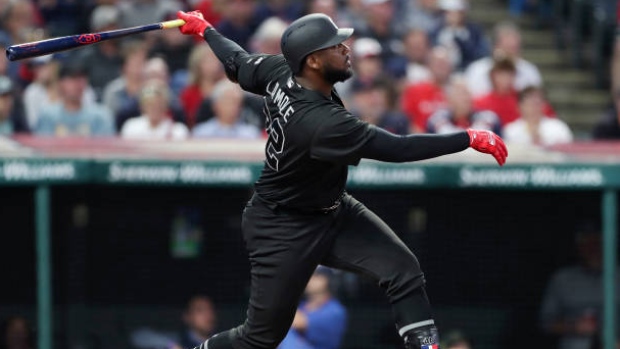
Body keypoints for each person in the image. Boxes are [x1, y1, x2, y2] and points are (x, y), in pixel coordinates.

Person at [175, 10, 507, 349]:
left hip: (331, 210)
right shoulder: (321, 123)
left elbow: (237, 62)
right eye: (336, 45)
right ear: (315, 61)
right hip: (282, 227)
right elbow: (399, 148)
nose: (346, 48)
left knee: (403, 269)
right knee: (260, 338)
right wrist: (467, 138)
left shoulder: (280, 69)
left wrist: (206, 29)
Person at [539, 223, 620, 349]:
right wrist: (574, 326)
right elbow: (546, 322)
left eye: (596, 243)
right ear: (578, 248)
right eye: (586, 244)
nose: (592, 249)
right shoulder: (562, 279)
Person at [465, 21, 542, 98]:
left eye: (516, 48)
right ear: (495, 47)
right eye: (508, 48)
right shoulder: (477, 70)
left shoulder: (530, 71)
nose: (512, 54)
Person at [34, 63, 114, 137]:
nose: (76, 84)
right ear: (60, 83)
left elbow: (106, 147)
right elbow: (42, 147)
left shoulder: (100, 115)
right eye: (71, 79)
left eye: (80, 79)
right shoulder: (48, 114)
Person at [278, 267, 347, 349]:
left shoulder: (335, 310)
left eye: (315, 274)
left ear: (327, 279)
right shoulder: (300, 306)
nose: (309, 278)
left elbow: (299, 322)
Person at [131, 295, 218, 349]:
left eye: (210, 310)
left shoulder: (222, 341)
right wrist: (171, 345)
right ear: (187, 317)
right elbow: (139, 336)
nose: (208, 315)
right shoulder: (177, 340)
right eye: (200, 310)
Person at [401, 46, 454, 133]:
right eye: (438, 64)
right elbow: (408, 120)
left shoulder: (458, 92)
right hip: (423, 140)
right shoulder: (415, 90)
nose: (441, 67)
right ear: (429, 66)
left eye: (444, 63)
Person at [426, 76, 501, 134]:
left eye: (467, 93)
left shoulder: (489, 119)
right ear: (449, 99)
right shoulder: (436, 121)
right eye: (460, 94)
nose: (465, 97)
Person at [430, 0, 489, 71]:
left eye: (455, 13)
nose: (451, 16)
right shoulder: (437, 31)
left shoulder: (474, 31)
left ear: (462, 13)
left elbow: (480, 53)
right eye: (447, 13)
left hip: (467, 70)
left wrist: (459, 41)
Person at [502, 86, 572, 146]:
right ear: (519, 106)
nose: (533, 107)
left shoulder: (559, 127)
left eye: (537, 103)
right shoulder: (511, 130)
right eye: (529, 103)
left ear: (544, 105)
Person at [192, 79, 260, 139]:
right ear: (216, 105)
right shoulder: (201, 133)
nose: (235, 106)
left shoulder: (251, 134)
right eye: (229, 101)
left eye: (238, 102)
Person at [121, 80, 189, 140]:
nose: (154, 108)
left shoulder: (178, 131)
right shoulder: (131, 127)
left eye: (158, 104)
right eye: (150, 104)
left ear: (166, 106)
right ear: (142, 106)